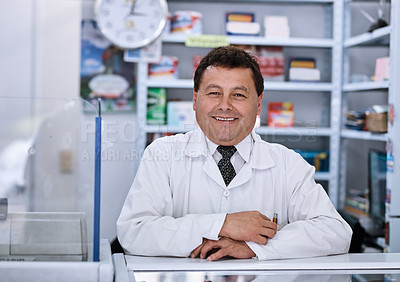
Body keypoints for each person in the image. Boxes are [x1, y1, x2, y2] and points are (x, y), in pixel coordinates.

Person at [117, 46, 352, 261]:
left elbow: (336, 232)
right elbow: (134, 232)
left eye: (238, 94)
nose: (225, 105)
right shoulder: (161, 155)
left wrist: (256, 247)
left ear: (258, 104)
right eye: (214, 93)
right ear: (196, 100)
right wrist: (223, 224)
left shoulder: (288, 164)